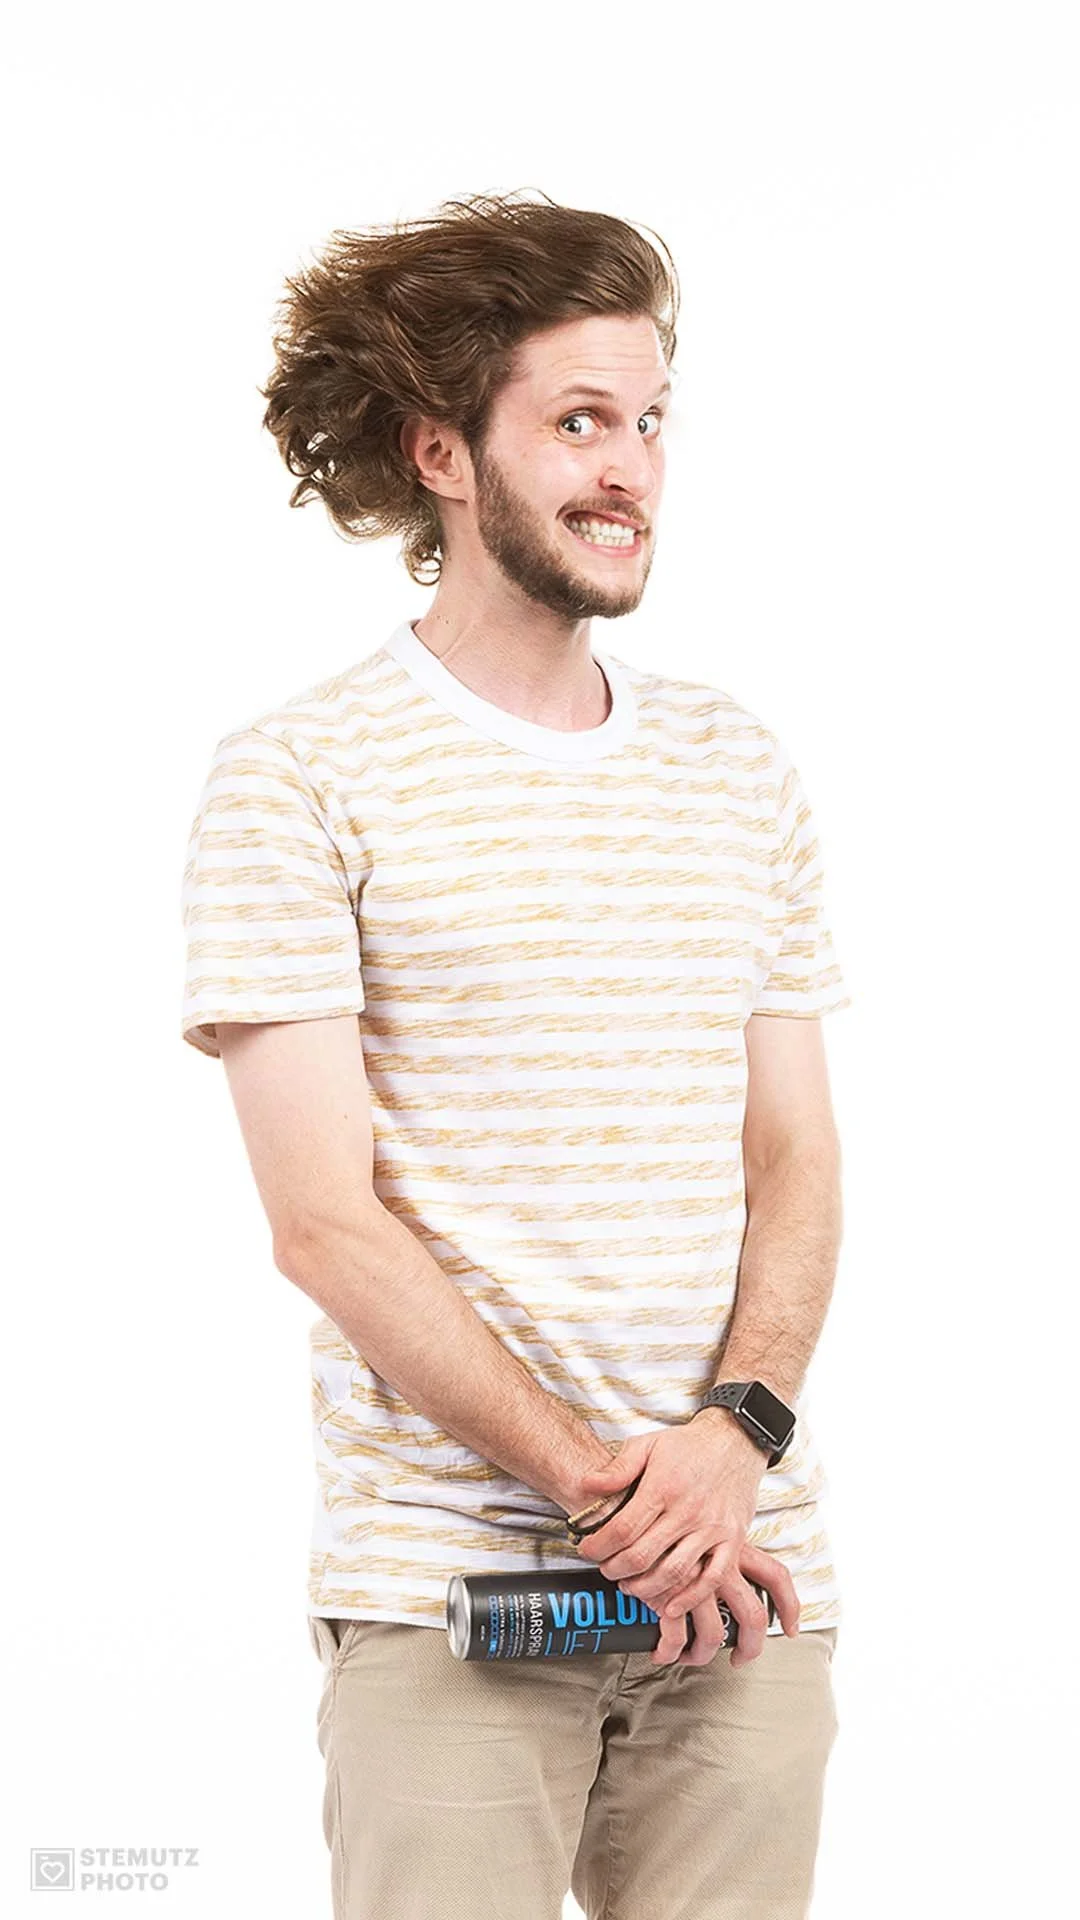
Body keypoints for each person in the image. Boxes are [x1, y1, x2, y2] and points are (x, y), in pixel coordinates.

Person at [180, 189, 852, 1920]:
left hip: (745, 1581)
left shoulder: (738, 764)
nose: (630, 470)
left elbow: (796, 1157)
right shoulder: (297, 778)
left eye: (650, 422)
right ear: (443, 455)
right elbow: (322, 1223)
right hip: (450, 1596)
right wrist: (602, 1492)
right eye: (577, 423)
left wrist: (736, 1438)